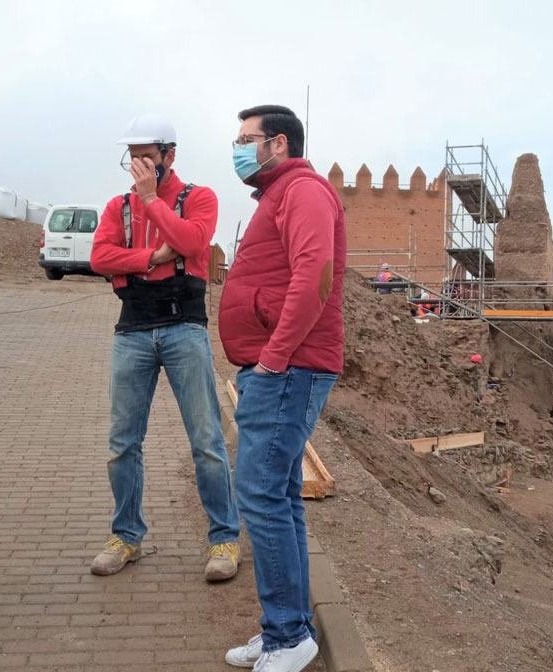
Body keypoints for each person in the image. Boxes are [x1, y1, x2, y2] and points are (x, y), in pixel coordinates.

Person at [219, 104, 346, 672]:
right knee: (281, 496)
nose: (237, 147)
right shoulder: (278, 194)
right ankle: (286, 628)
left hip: (289, 369)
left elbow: (314, 273)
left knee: (261, 497)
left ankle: (288, 640)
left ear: (278, 143)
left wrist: (271, 359)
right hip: (282, 368)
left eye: (246, 139)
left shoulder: (304, 190)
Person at [88, 114, 241, 582]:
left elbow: (194, 241)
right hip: (132, 329)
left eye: (145, 158)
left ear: (168, 157)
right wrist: (151, 258)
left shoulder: (200, 198)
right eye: (131, 158)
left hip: (184, 328)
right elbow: (99, 257)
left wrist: (154, 201)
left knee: (207, 441)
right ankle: (126, 537)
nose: (136, 166)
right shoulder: (118, 206)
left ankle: (225, 539)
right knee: (122, 443)